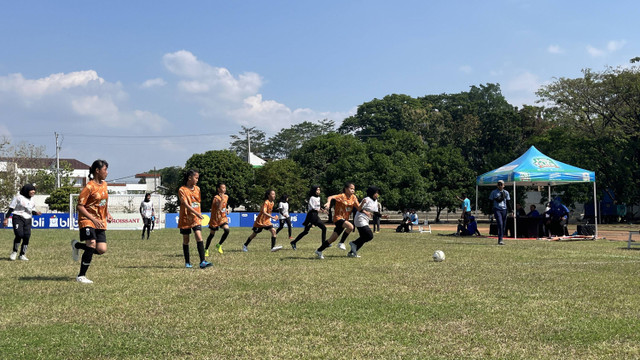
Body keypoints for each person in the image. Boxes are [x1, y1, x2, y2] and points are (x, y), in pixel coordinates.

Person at [70, 160, 114, 284]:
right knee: (91, 243)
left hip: (100, 221)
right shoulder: (89, 187)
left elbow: (103, 203)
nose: (107, 172)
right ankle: (81, 275)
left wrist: (107, 213)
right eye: (105, 169)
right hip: (87, 220)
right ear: (97, 171)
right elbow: (80, 206)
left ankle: (77, 245)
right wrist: (92, 219)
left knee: (101, 249)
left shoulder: (104, 185)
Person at [314, 182, 359, 259]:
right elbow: (330, 197)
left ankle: (319, 250)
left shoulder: (353, 197)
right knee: (351, 227)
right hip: (338, 218)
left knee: (332, 239)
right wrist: (328, 203)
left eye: (353, 189)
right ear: (346, 189)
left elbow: (359, 208)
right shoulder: (341, 196)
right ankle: (341, 243)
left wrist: (366, 208)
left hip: (344, 219)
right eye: (351, 188)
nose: (353, 190)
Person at [177, 169, 212, 269]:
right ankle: (187, 262)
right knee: (186, 239)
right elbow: (186, 204)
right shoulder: (182, 190)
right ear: (189, 178)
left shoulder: (198, 189)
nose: (197, 180)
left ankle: (203, 261)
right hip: (185, 218)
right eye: (196, 178)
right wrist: (196, 212)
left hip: (195, 218)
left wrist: (198, 213)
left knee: (198, 236)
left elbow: (198, 202)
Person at [4, 184, 41, 261]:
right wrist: (6, 219)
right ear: (27, 190)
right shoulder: (18, 198)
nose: (33, 192)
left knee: (27, 236)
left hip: (28, 219)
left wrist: (36, 213)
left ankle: (22, 255)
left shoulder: (32, 201)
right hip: (18, 217)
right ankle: (14, 252)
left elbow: (32, 211)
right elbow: (11, 208)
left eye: (34, 190)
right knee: (19, 234)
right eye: (31, 190)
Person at [290, 185, 327, 250]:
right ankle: (294, 242)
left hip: (315, 215)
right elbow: (312, 207)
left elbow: (318, 206)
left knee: (323, 228)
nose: (319, 191)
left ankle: (324, 243)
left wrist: (322, 209)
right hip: (311, 215)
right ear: (314, 191)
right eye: (317, 190)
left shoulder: (318, 198)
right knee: (307, 231)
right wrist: (318, 209)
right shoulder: (312, 198)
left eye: (319, 190)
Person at [348, 186, 379, 258]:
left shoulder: (376, 201)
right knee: (369, 235)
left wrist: (383, 216)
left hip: (365, 220)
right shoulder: (366, 199)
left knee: (364, 237)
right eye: (376, 193)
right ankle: (354, 243)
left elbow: (376, 213)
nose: (377, 194)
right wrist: (364, 210)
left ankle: (351, 253)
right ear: (372, 193)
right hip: (360, 218)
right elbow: (358, 208)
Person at [205, 182, 230, 256]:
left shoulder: (226, 196)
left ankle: (219, 245)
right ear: (218, 189)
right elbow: (219, 208)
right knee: (212, 235)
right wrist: (222, 199)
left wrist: (226, 209)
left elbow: (224, 206)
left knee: (227, 230)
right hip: (215, 219)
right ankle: (206, 249)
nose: (224, 189)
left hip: (222, 217)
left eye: (225, 188)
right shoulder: (216, 198)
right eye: (222, 188)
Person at [489, 180, 511, 245]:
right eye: (499, 184)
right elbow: (492, 201)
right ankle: (500, 239)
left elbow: (508, 202)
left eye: (501, 184)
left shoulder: (506, 192)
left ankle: (501, 237)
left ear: (504, 185)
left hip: (504, 209)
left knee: (503, 225)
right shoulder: (494, 192)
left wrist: (511, 211)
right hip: (497, 209)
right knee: (500, 223)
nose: (500, 186)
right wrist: (490, 212)